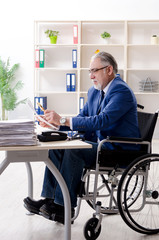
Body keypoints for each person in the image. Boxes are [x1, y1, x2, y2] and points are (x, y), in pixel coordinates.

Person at [24, 51, 140, 224]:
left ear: (109, 70)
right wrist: (56, 124)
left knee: (75, 150)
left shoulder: (121, 91)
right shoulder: (94, 92)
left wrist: (63, 120)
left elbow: (102, 120)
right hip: (101, 145)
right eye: (89, 71)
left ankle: (65, 207)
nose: (91, 76)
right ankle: (50, 201)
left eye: (95, 70)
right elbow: (83, 117)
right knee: (57, 146)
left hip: (118, 149)